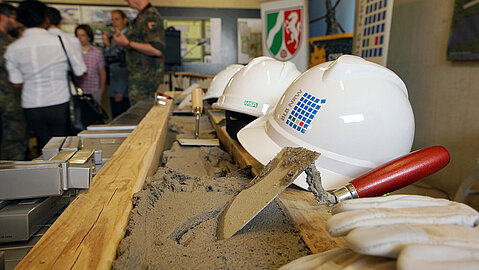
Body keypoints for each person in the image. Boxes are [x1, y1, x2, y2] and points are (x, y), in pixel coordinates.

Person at [4, 0, 86, 150]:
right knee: (61, 145)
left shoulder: (14, 48)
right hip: (58, 102)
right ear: (45, 18)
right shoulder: (61, 41)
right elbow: (80, 71)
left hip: (31, 105)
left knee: (43, 144)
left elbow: (16, 82)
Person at [113, 0, 165, 105]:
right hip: (139, 81)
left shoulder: (150, 17)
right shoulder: (141, 17)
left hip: (146, 83)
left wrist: (127, 43)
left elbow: (157, 50)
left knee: (143, 115)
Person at [0, 3, 27, 160]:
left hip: (9, 103)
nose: (18, 23)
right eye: (15, 18)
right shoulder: (7, 45)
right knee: (13, 148)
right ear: (3, 17)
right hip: (9, 104)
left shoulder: (11, 41)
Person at [102, 10, 130, 118]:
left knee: (123, 118)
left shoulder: (128, 37)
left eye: (117, 19)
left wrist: (121, 90)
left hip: (123, 86)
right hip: (113, 82)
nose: (114, 22)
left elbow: (125, 64)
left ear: (125, 20)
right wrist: (107, 46)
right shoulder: (114, 37)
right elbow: (110, 59)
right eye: (112, 19)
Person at [75, 24, 106, 104]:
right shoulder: (74, 52)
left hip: (94, 91)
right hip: (78, 92)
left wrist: (101, 90)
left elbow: (102, 73)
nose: (79, 38)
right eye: (77, 35)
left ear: (89, 37)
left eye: (82, 35)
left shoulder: (97, 53)